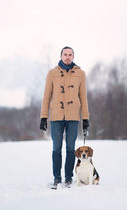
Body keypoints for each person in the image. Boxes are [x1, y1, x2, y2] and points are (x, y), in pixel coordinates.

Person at [40, 46, 90, 187]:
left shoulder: (80, 74)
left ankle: (68, 178)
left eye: (70, 54)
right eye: (65, 54)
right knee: (56, 148)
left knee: (70, 148)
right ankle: (57, 178)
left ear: (73, 56)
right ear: (61, 56)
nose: (67, 57)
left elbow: (83, 97)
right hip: (56, 116)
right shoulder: (52, 73)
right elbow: (46, 96)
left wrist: (85, 118)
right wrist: (43, 117)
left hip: (73, 116)